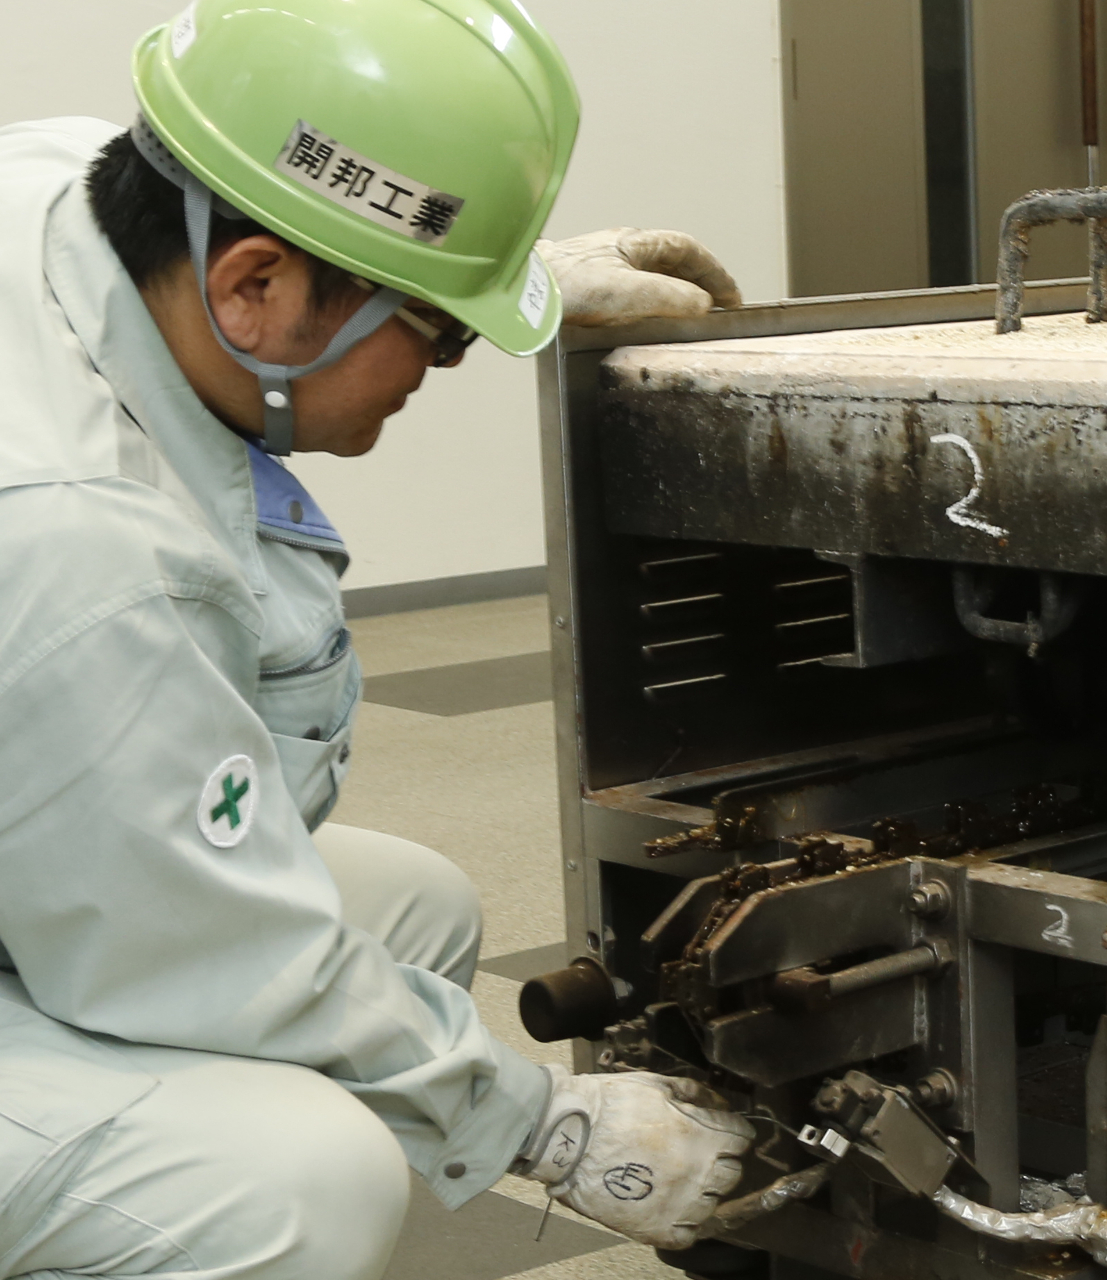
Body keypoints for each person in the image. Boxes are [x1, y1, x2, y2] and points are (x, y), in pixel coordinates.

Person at [0, 3, 756, 1277]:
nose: (444, 366)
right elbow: (185, 944)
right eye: (441, 330)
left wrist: (504, 271)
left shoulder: (66, 190)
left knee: (413, 907)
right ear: (252, 285)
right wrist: (545, 1123)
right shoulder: (77, 538)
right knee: (300, 1184)